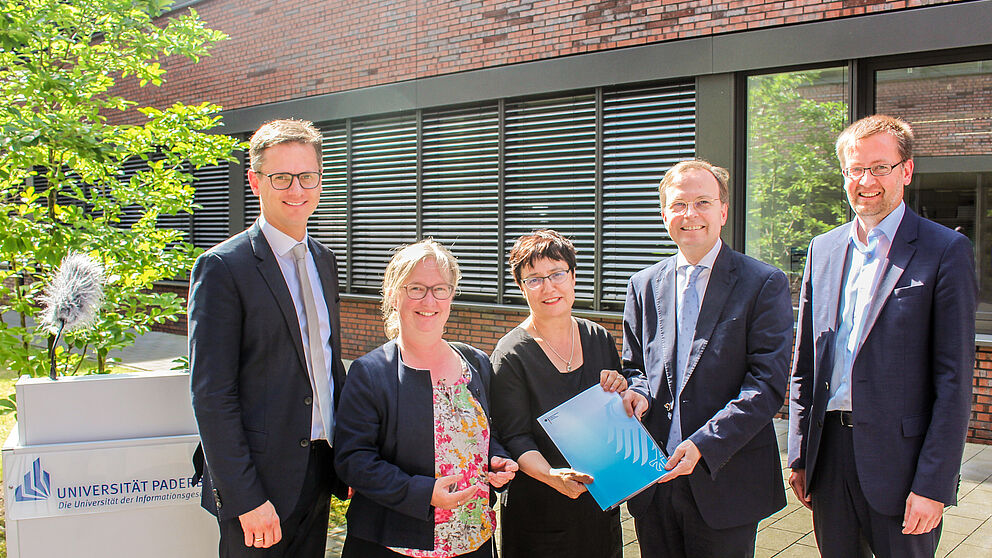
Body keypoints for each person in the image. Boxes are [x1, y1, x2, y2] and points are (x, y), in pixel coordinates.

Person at [788, 114, 977, 557]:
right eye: (855, 170)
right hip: (829, 458)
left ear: (906, 171)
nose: (866, 180)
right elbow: (806, 365)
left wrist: (934, 485)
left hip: (903, 465)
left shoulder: (944, 250)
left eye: (879, 167)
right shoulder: (824, 249)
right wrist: (799, 455)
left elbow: (955, 383)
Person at [189, 118, 348, 556]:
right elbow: (212, 395)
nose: (296, 190)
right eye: (280, 177)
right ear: (254, 181)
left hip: (317, 469)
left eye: (307, 176)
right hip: (258, 484)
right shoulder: (223, 268)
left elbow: (329, 367)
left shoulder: (325, 261)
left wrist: (349, 458)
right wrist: (246, 498)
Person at [622, 159, 794, 557]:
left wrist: (702, 444)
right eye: (678, 204)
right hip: (654, 480)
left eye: (702, 202)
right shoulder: (643, 284)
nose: (690, 215)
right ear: (664, 212)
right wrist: (639, 394)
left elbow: (765, 387)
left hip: (724, 478)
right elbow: (636, 368)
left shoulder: (763, 283)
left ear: (723, 211)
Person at [334, 239, 518, 558]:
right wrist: (422, 492)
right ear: (393, 294)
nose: (429, 299)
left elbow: (486, 436)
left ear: (451, 295)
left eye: (440, 288)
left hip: (472, 540)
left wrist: (497, 460)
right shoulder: (370, 372)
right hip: (394, 545)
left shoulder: (475, 364)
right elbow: (352, 461)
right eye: (416, 288)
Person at [489, 229, 645, 558]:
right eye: (534, 279)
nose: (549, 287)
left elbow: (615, 413)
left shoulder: (598, 337)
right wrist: (551, 475)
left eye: (557, 273)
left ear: (573, 277)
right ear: (521, 287)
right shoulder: (510, 354)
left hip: (599, 505)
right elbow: (514, 436)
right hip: (539, 509)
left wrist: (621, 389)